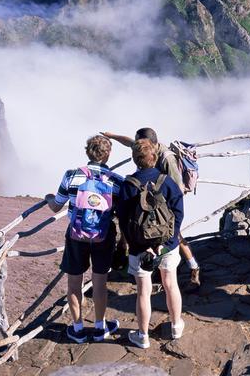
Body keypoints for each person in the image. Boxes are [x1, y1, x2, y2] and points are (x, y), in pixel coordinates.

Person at [44, 135, 124, 343]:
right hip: (104, 236)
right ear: (108, 155)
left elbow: (56, 206)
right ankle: (99, 327)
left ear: (87, 152)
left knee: (74, 283)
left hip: (76, 236)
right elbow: (121, 211)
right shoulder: (115, 180)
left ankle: (77, 329)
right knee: (99, 283)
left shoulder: (71, 176)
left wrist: (48, 197)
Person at [102, 128, 202, 292]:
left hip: (165, 203)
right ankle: (160, 265)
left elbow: (176, 187)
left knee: (174, 234)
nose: (136, 144)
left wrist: (166, 209)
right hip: (152, 200)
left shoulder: (166, 158)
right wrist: (112, 136)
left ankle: (194, 268)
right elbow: (130, 143)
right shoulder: (148, 147)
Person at [117, 138, 185, 349]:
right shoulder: (168, 183)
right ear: (155, 158)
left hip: (140, 248)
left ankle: (143, 335)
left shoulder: (128, 185)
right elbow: (179, 214)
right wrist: (168, 242)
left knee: (143, 291)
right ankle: (175, 326)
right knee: (170, 284)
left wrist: (137, 244)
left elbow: (123, 220)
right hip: (167, 245)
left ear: (135, 160)